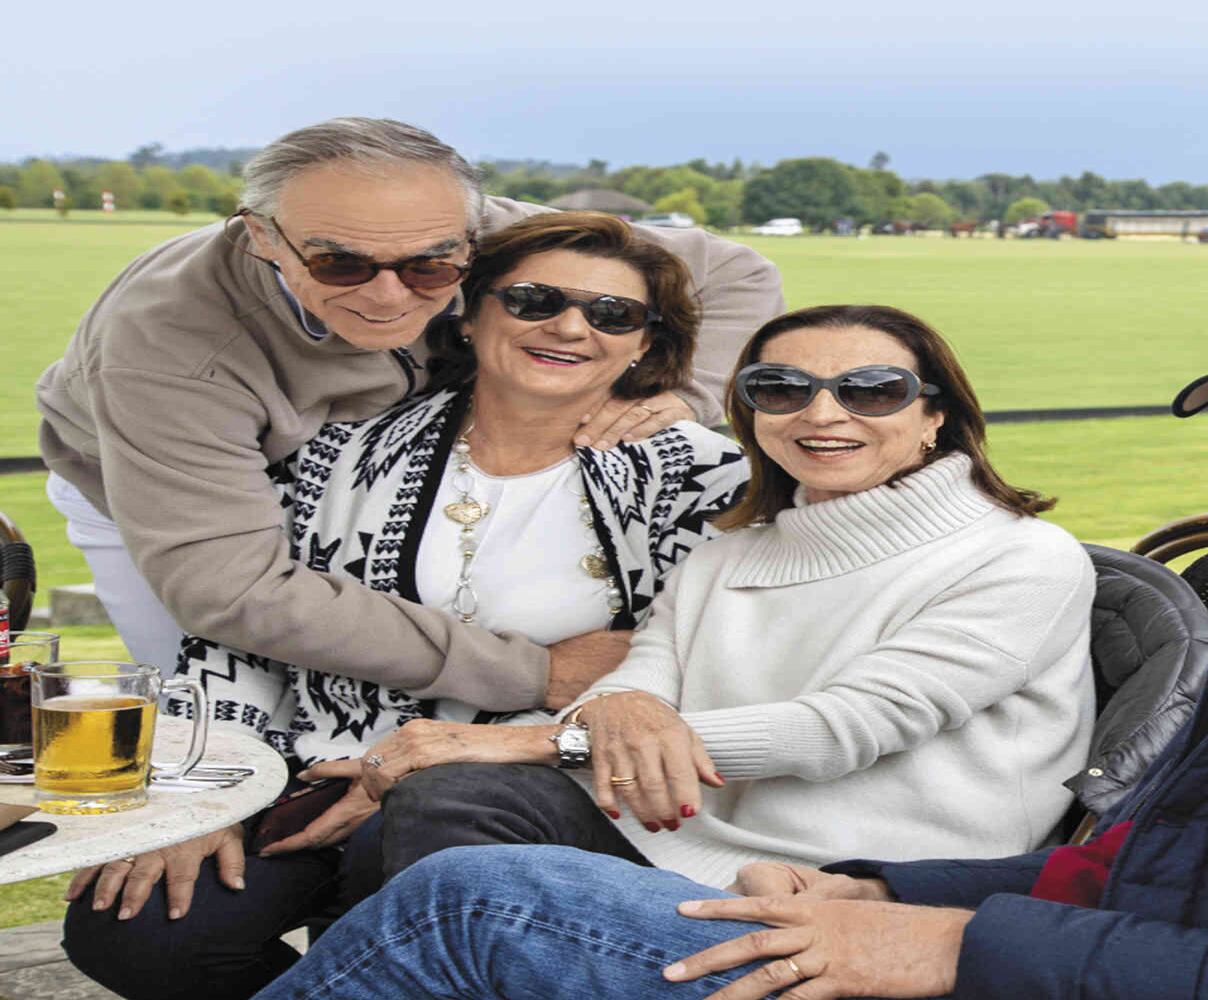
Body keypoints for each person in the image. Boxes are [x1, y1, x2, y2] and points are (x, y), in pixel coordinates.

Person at [253, 289, 1208, 1000]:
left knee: (468, 887)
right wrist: (883, 894)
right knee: (447, 853)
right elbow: (1154, 863)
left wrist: (944, 944)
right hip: (907, 904)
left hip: (994, 965)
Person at [59, 213, 750, 1000]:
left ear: (646, 347)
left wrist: (438, 759)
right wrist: (211, 792)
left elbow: (693, 664)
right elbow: (248, 636)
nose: (569, 326)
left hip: (524, 789)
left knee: (418, 838)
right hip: (315, 765)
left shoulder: (696, 473)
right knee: (137, 930)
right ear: (470, 308)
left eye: (612, 314)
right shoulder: (342, 448)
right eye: (532, 299)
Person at [295, 303, 1096, 893]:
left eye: (872, 390)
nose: (822, 413)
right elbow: (635, 688)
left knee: (444, 824)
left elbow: (844, 729)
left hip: (853, 878)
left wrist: (533, 741)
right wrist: (613, 714)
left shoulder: (1021, 559)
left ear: (936, 417)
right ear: (751, 414)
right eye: (780, 388)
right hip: (678, 835)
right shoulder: (728, 553)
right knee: (423, 809)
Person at [36, 116, 781, 686]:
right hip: (169, 493)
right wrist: (536, 674)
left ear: (473, 229)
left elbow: (739, 275)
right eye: (339, 263)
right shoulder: (173, 346)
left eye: (431, 266)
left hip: (392, 466)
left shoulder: (505, 238)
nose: (390, 296)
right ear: (262, 237)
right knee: (227, 708)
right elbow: (232, 592)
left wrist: (674, 398)